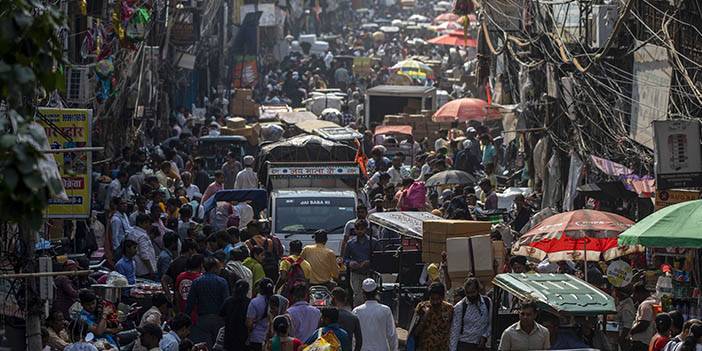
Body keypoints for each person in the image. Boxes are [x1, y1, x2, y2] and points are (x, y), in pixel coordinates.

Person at [186, 256, 230, 348]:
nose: (220, 269)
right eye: (218, 267)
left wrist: (186, 320)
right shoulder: (222, 282)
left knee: (204, 347)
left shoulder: (196, 282)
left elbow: (190, 303)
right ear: (213, 268)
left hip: (202, 320)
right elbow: (226, 302)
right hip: (219, 319)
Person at [353, 278, 398, 351]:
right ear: (376, 292)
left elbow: (354, 337)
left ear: (363, 293)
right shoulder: (385, 310)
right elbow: (391, 334)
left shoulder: (356, 311)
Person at [450, 278, 491, 351]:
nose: (471, 295)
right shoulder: (460, 307)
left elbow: (491, 323)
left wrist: (484, 336)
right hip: (465, 344)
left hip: (481, 345)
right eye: (468, 293)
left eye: (473, 292)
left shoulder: (487, 302)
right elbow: (455, 330)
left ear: (478, 290)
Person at [410, 282, 453, 351]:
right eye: (432, 299)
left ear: (443, 297)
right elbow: (414, 333)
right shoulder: (422, 307)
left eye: (438, 299)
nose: (435, 302)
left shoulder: (449, 309)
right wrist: (424, 317)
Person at [344, 219, 374, 306]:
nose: (360, 231)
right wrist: (350, 263)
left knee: (369, 295)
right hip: (355, 273)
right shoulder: (350, 243)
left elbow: (378, 257)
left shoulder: (373, 242)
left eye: (362, 229)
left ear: (366, 229)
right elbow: (345, 258)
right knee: (358, 295)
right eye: (358, 229)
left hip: (369, 273)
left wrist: (369, 262)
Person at [219, 280, 251, 351]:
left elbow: (221, 314)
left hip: (229, 335)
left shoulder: (228, 301)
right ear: (247, 290)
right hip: (243, 336)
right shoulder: (249, 303)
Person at [247, 278, 276, 351]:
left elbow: (249, 323)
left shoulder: (254, 302)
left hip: (256, 338)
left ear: (260, 288)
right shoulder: (276, 302)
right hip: (271, 339)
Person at [631, 282, 659, 351]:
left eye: (635, 294)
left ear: (640, 293)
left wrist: (630, 332)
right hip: (648, 341)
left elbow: (643, 324)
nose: (634, 296)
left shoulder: (645, 304)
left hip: (641, 342)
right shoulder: (654, 301)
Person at [128, 213, 158, 279]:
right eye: (147, 223)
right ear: (140, 223)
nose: (149, 225)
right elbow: (144, 255)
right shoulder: (142, 236)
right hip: (144, 270)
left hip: (136, 267)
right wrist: (151, 270)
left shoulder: (132, 232)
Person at [616, 287, 637, 351]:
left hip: (624, 338)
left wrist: (621, 339)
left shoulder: (626, 308)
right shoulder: (623, 303)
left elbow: (627, 326)